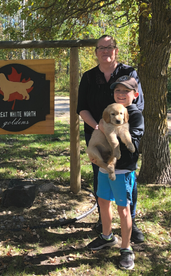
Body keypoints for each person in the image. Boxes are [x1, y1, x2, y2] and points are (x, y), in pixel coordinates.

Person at [77, 34, 145, 243]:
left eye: (110, 47)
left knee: (126, 186)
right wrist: (98, 127)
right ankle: (104, 225)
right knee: (102, 181)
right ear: (96, 52)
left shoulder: (129, 73)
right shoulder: (88, 77)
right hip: (98, 138)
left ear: (116, 50)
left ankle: (130, 226)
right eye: (101, 48)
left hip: (125, 139)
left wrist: (124, 132)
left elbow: (138, 104)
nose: (106, 51)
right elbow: (82, 108)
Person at [86, 75, 144, 270]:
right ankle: (107, 236)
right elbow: (102, 131)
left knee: (123, 209)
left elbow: (132, 145)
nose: (121, 94)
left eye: (126, 91)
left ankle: (126, 248)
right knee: (102, 201)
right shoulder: (110, 111)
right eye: (117, 91)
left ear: (134, 95)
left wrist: (110, 135)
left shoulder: (134, 115)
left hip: (123, 171)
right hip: (104, 168)